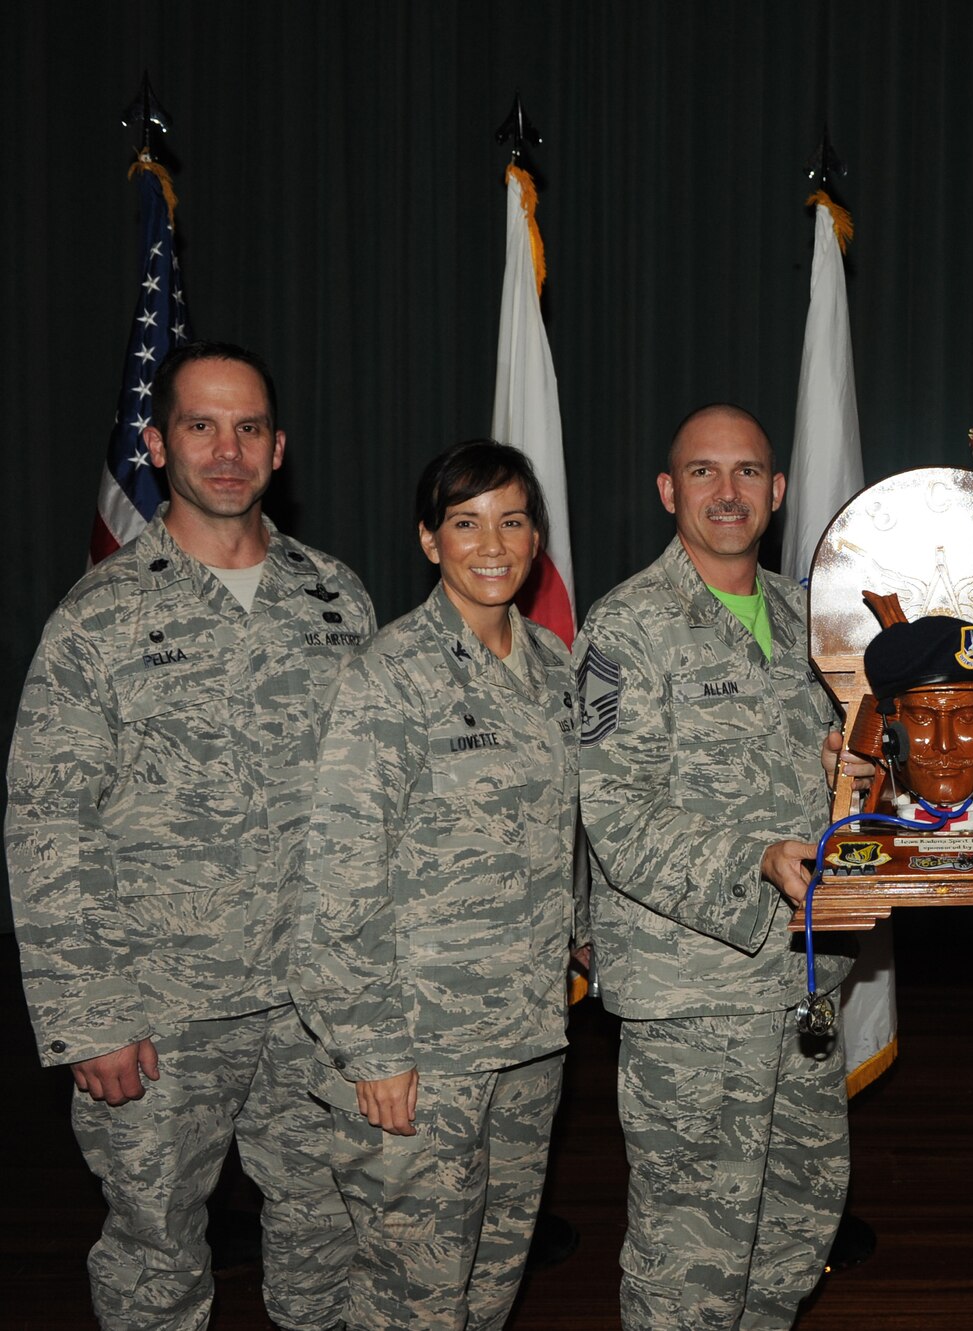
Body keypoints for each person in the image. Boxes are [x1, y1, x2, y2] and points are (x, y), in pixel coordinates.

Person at [6, 342, 371, 1331]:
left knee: (330, 1239)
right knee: (153, 1254)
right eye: (201, 426)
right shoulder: (100, 617)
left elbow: (380, 798)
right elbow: (48, 821)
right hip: (162, 1011)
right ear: (158, 442)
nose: (226, 449)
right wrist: (86, 1012)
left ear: (278, 447)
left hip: (316, 1007)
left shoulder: (337, 600)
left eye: (247, 427)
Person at [576, 403, 854, 1330]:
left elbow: (844, 774)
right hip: (695, 993)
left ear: (777, 492)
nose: (726, 492)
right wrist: (755, 858)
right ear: (668, 490)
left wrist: (856, 779)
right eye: (703, 472)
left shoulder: (810, 616)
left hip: (803, 981)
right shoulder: (628, 628)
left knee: (791, 1234)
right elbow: (617, 815)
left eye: (746, 473)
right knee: (690, 1262)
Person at [291, 441, 581, 1329]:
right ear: (429, 540)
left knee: (492, 1278)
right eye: (465, 522)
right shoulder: (387, 675)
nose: (491, 543)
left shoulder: (554, 668)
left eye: (512, 520)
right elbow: (341, 871)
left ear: (536, 538)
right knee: (409, 1295)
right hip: (422, 1050)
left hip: (528, 1036)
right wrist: (372, 1047)